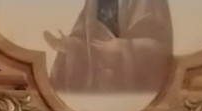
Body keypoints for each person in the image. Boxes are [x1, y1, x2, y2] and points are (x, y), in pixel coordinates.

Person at [45, 0, 173, 95]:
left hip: (130, 90)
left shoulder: (149, 3)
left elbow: (160, 50)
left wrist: (122, 48)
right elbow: (89, 40)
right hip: (98, 84)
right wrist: (72, 45)